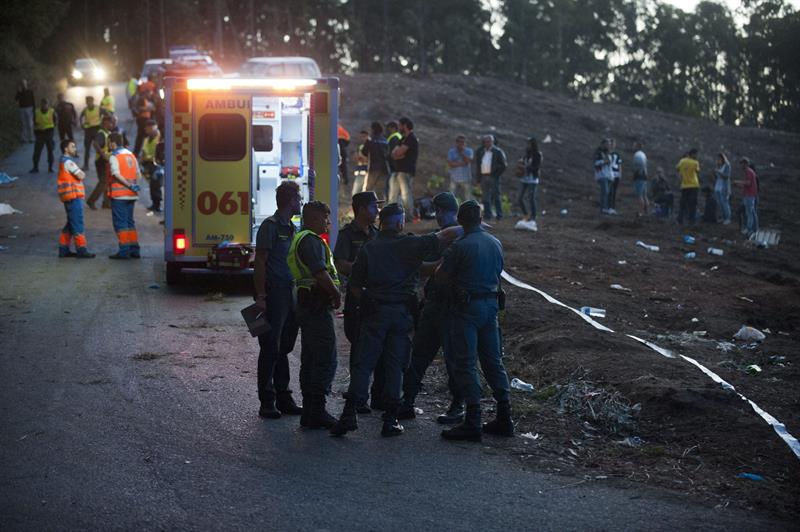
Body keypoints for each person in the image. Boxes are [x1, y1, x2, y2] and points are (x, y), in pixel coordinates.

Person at [330, 203, 463, 438]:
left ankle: (349, 413)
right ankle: (390, 419)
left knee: (363, 364)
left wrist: (367, 302)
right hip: (401, 315)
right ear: (400, 223)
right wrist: (470, 227)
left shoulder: (369, 249)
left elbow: (354, 284)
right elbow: (443, 236)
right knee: (395, 366)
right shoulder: (410, 244)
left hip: (374, 314)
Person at [439, 200, 512, 442]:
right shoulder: (496, 243)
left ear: (460, 221)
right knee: (493, 360)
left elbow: (443, 278)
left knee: (466, 362)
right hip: (491, 307)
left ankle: (473, 418)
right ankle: (505, 414)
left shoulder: (460, 246)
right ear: (481, 220)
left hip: (466, 308)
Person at [399, 192, 465, 424]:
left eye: (442, 211)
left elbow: (438, 269)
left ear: (453, 212)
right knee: (419, 355)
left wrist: (419, 267)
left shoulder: (460, 237)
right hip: (433, 304)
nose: (438, 216)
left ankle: (457, 405)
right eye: (436, 211)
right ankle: (407, 401)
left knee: (453, 360)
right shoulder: (442, 236)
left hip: (451, 306)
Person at [287, 201, 342, 429]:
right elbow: (320, 273)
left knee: (310, 358)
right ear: (312, 219)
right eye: (325, 218)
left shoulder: (303, 238)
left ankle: (310, 412)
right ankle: (317, 410)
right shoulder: (310, 240)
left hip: (308, 305)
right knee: (325, 357)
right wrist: (336, 292)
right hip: (316, 306)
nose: (328, 222)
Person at [252, 181, 304, 419]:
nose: (301, 202)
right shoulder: (270, 226)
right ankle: (267, 402)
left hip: (290, 292)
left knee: (284, 347)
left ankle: (284, 398)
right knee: (270, 348)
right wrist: (261, 296)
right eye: (299, 198)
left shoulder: (291, 228)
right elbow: (260, 262)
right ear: (291, 200)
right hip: (274, 295)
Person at [333, 191, 383, 413]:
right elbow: (341, 263)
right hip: (357, 298)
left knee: (378, 346)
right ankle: (357, 395)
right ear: (361, 209)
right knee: (358, 344)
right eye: (373, 206)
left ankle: (377, 395)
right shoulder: (347, 234)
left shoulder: (377, 233)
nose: (377, 211)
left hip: (377, 297)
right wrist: (364, 267)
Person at [56, 139, 95, 259]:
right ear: (65, 149)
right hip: (73, 197)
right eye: (72, 147)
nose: (75, 149)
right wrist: (82, 173)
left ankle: (63, 250)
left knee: (70, 224)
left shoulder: (63, 161)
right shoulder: (68, 162)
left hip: (69, 197)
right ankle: (81, 250)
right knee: (78, 223)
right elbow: (81, 175)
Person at [106, 133, 141, 259]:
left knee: (121, 224)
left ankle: (124, 251)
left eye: (108, 142)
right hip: (131, 195)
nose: (108, 145)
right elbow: (138, 173)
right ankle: (134, 249)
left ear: (112, 142)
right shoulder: (131, 155)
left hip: (119, 195)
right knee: (130, 223)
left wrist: (127, 185)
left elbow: (116, 174)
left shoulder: (114, 156)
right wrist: (134, 186)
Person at [389, 117, 419, 221]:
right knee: (393, 194)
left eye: (400, 125)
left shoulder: (411, 138)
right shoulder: (402, 138)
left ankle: (409, 217)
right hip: (398, 171)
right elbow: (393, 154)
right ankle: (393, 215)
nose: (399, 127)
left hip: (406, 171)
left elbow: (398, 152)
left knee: (406, 194)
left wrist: (398, 154)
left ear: (405, 125)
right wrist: (398, 155)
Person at [474, 134, 507, 220]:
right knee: (485, 196)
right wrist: (478, 179)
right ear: (484, 142)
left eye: (490, 141)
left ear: (493, 142)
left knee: (496, 196)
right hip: (484, 176)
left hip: (494, 177)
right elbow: (478, 165)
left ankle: (499, 215)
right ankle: (488, 215)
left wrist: (496, 174)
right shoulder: (481, 151)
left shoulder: (498, 151)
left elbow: (504, 165)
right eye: (486, 141)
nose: (488, 143)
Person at [86, 114, 114, 210]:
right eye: (111, 123)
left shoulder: (107, 133)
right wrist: (103, 155)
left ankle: (106, 203)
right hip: (101, 162)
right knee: (103, 182)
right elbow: (95, 143)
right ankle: (91, 201)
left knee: (107, 183)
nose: (113, 124)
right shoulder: (101, 134)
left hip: (105, 161)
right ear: (106, 123)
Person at [515, 136, 541, 232]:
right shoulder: (527, 154)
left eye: (529, 144)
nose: (528, 145)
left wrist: (526, 167)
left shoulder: (537, 155)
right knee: (519, 198)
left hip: (532, 179)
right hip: (524, 179)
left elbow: (536, 167)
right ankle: (526, 214)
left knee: (531, 198)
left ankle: (533, 217)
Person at [361, 122, 390, 197]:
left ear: (373, 129)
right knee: (380, 192)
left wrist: (366, 142)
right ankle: (380, 208)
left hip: (373, 168)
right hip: (384, 169)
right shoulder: (385, 140)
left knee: (368, 190)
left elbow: (364, 152)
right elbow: (388, 154)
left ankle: (365, 207)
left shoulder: (371, 139)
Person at [140, 119, 163, 213]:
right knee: (152, 186)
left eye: (147, 129)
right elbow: (144, 151)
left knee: (156, 186)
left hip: (158, 166)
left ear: (153, 128)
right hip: (148, 165)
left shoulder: (161, 139)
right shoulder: (146, 139)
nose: (146, 130)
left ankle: (157, 205)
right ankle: (154, 204)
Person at [31, 98, 57, 173]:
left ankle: (50, 168)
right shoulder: (36, 111)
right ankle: (35, 167)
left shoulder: (52, 111)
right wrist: (36, 131)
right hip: (39, 134)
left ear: (48, 104)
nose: (44, 105)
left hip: (49, 133)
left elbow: (55, 121)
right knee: (37, 151)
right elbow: (34, 121)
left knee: (50, 151)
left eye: (45, 104)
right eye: (43, 104)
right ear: (41, 104)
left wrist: (51, 130)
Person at [735, 157, 759, 236]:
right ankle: (755, 228)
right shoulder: (750, 172)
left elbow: (748, 183)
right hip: (750, 194)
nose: (741, 166)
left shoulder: (748, 172)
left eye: (742, 164)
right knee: (752, 212)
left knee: (749, 213)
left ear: (745, 164)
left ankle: (749, 229)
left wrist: (738, 182)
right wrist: (739, 184)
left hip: (749, 195)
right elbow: (748, 184)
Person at [676, 148, 701, 225]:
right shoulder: (695, 163)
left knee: (682, 204)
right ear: (693, 154)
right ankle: (691, 221)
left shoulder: (682, 161)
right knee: (692, 204)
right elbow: (697, 171)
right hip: (694, 185)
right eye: (696, 154)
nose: (697, 156)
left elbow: (677, 168)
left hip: (684, 185)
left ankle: (680, 220)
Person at [447, 135, 474, 202]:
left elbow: (468, 161)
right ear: (456, 142)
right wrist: (462, 164)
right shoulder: (451, 151)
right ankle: (453, 211)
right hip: (454, 178)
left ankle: (467, 210)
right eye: (459, 142)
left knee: (467, 197)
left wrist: (462, 153)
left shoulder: (469, 151)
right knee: (451, 197)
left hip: (466, 178)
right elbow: (450, 164)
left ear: (465, 143)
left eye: (462, 142)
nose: (461, 143)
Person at [80, 96, 102, 170]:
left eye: (90, 101)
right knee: (87, 149)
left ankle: (101, 164)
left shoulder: (98, 108)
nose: (88, 103)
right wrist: (81, 124)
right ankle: (86, 165)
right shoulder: (85, 110)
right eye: (87, 102)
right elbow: (80, 117)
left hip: (96, 129)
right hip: (88, 131)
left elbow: (107, 113)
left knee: (99, 148)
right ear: (86, 102)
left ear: (93, 101)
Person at [133, 88, 156, 156]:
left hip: (146, 120)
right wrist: (149, 108)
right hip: (142, 120)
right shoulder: (142, 99)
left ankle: (140, 153)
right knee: (142, 137)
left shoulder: (147, 100)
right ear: (146, 93)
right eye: (149, 93)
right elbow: (139, 108)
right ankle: (138, 153)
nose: (150, 95)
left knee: (142, 137)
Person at [594, 138, 613, 214]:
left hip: (608, 175)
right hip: (601, 175)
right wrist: (604, 162)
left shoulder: (607, 153)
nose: (609, 145)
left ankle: (606, 208)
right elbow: (596, 163)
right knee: (604, 192)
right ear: (603, 144)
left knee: (607, 192)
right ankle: (603, 208)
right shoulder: (598, 152)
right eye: (607, 144)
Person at [385, 121, 402, 200]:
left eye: (389, 128)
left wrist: (386, 157)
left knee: (391, 190)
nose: (387, 130)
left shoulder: (394, 138)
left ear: (393, 128)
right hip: (395, 167)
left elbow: (393, 153)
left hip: (393, 168)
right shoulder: (397, 136)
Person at [713, 152, 732, 224]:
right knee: (720, 203)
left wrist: (718, 172)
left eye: (719, 158)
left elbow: (726, 176)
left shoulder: (727, 166)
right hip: (718, 187)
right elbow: (717, 178)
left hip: (724, 187)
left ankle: (728, 218)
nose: (718, 160)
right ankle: (723, 218)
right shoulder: (719, 166)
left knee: (725, 203)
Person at [632, 141, 649, 216]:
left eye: (634, 146)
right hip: (644, 176)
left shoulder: (637, 155)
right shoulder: (643, 154)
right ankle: (646, 211)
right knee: (645, 195)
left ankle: (641, 212)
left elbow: (639, 166)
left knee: (640, 195)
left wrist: (637, 172)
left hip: (639, 176)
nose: (633, 147)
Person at [352, 130, 369, 197]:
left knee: (362, 192)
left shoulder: (370, 146)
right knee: (356, 192)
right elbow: (355, 158)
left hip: (366, 172)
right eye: (361, 137)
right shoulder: (361, 146)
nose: (362, 138)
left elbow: (367, 159)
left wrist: (361, 158)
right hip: (359, 171)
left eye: (364, 136)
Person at [608, 139, 622, 214]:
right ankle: (608, 207)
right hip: (610, 174)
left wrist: (620, 174)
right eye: (611, 143)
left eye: (614, 144)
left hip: (616, 174)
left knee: (614, 191)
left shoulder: (617, 154)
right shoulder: (607, 153)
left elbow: (619, 164)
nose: (613, 145)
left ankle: (612, 207)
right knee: (610, 191)